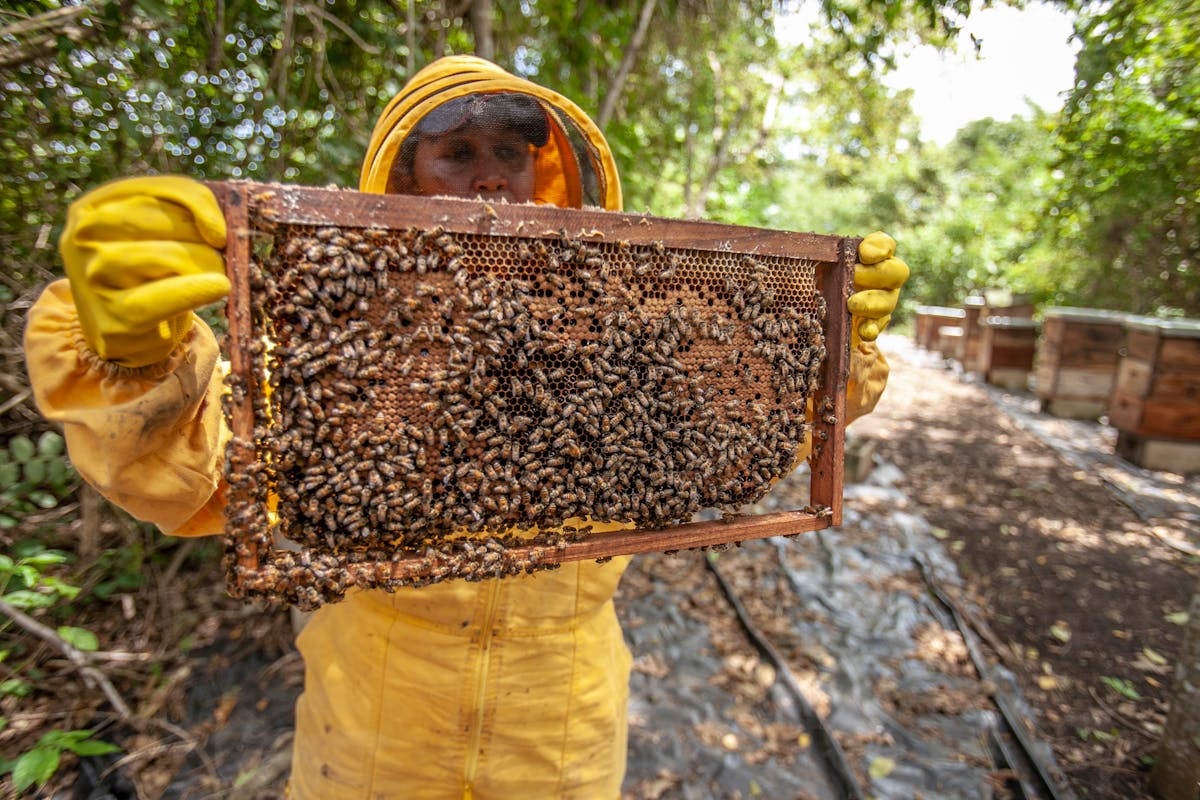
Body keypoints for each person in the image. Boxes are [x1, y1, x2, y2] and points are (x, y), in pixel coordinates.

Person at [24, 55, 909, 799]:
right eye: (456, 154)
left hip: (562, 726)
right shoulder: (347, 339)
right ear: (403, 176)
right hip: (372, 723)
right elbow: (201, 477)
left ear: (547, 173)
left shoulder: (628, 325)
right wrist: (134, 361)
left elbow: (729, 444)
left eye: (510, 154)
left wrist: (822, 356)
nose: (491, 178)